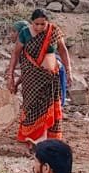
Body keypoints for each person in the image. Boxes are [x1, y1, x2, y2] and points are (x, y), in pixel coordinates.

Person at [6, 9, 71, 146]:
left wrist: (69, 72)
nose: (40, 27)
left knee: (49, 108)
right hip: (31, 80)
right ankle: (34, 139)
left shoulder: (53, 31)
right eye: (36, 24)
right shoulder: (25, 34)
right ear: (31, 22)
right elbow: (16, 54)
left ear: (48, 22)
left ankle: (45, 140)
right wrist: (10, 76)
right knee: (32, 108)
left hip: (51, 78)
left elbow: (63, 51)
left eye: (43, 24)